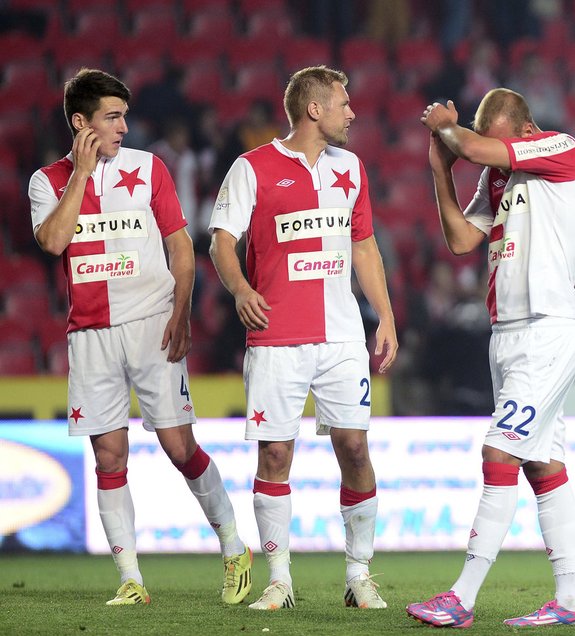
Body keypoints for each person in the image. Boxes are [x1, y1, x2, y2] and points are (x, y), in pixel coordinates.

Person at [27, 69, 252, 606]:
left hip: (152, 323)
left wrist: (182, 311)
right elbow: (54, 242)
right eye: (112, 117)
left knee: (178, 446)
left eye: (125, 116)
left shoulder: (150, 169)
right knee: (109, 456)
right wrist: (80, 175)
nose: (124, 127)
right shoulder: (46, 181)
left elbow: (180, 247)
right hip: (91, 332)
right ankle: (131, 579)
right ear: (80, 123)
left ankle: (233, 546)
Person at [208, 65, 398, 612]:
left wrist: (384, 315)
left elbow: (364, 247)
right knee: (275, 455)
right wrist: (241, 288)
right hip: (276, 337)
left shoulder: (351, 168)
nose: (352, 113)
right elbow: (222, 240)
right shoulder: (253, 168)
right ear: (315, 109)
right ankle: (279, 581)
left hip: (341, 336)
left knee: (355, 448)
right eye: (344, 103)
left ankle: (359, 576)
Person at [406, 88, 575, 628]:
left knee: (499, 453)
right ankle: (572, 602)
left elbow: (476, 148)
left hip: (546, 330)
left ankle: (461, 597)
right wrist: (441, 169)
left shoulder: (561, 148)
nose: (486, 149)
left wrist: (448, 129)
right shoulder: (498, 176)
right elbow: (462, 239)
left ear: (524, 129)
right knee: (542, 465)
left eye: (495, 138)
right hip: (506, 335)